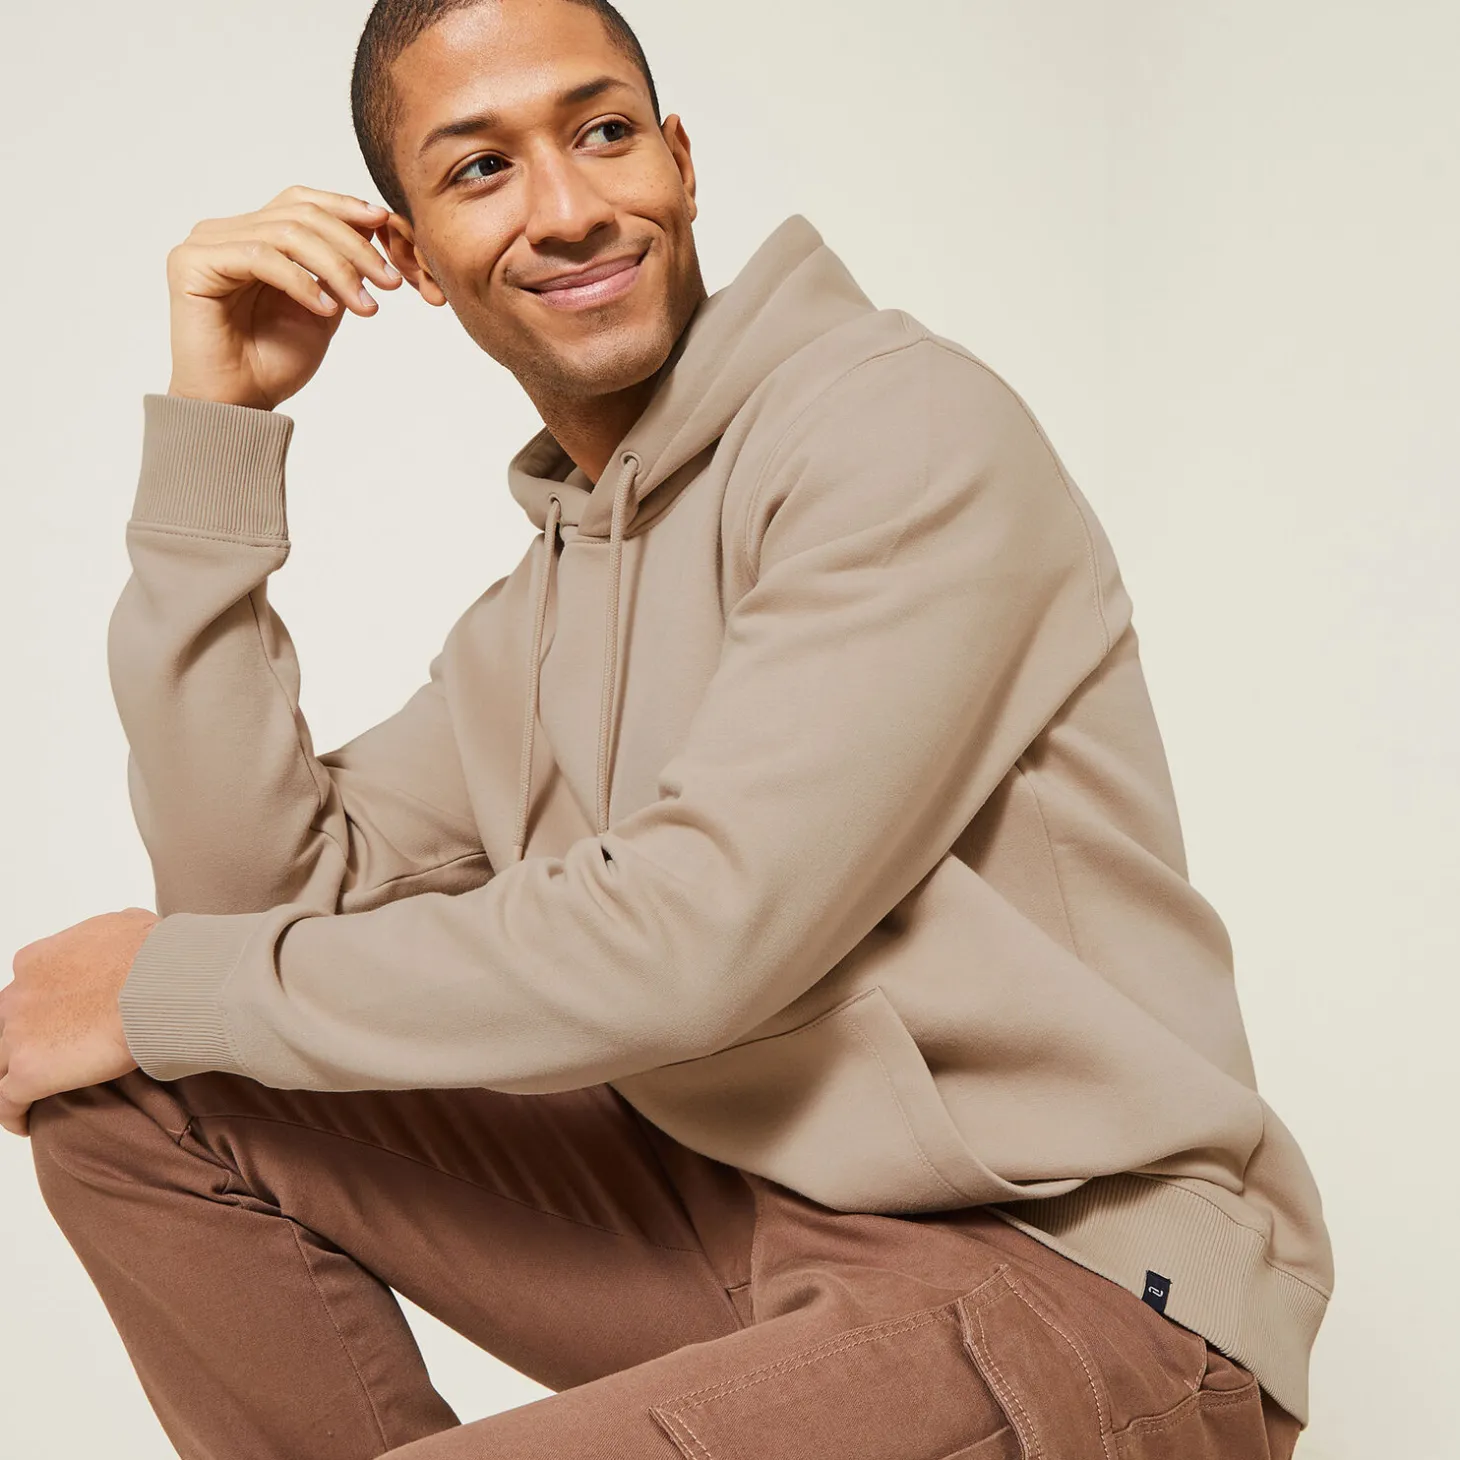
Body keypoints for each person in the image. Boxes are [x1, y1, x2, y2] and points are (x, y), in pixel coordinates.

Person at [3, 1, 1331, 1456]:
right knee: (145, 1096)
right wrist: (218, 440)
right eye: (481, 169)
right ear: (415, 257)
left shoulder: (900, 430)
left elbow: (696, 936)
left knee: (171, 1016)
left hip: (1080, 1281)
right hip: (762, 1243)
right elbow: (251, 909)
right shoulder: (539, 617)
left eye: (602, 132)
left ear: (680, 163)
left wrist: (167, 983)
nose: (569, 207)